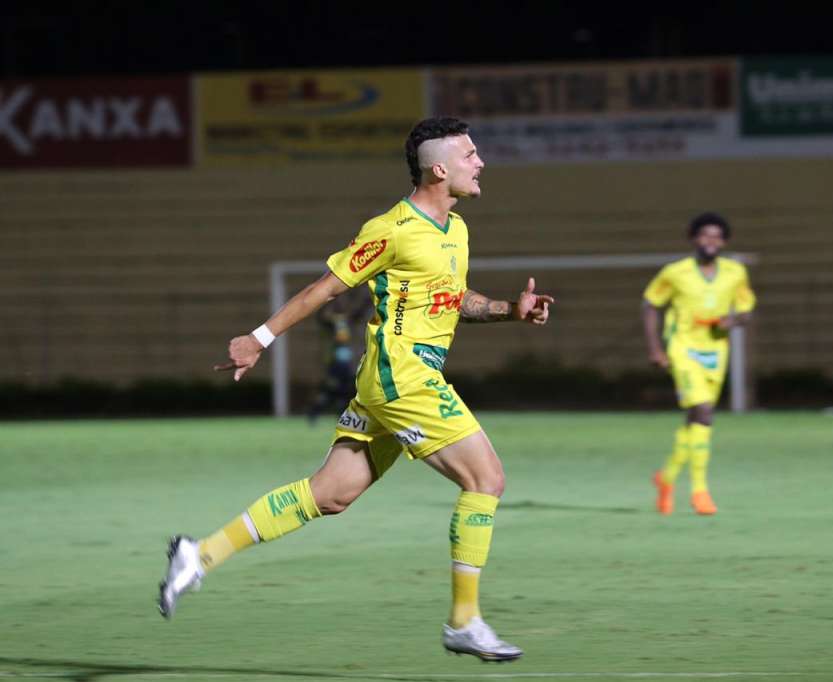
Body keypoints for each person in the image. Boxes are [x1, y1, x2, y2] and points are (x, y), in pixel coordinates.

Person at [158, 117, 554, 663]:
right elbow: (325, 289)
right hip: (402, 376)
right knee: (486, 478)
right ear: (439, 169)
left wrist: (512, 310)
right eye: (470, 155)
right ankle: (464, 621)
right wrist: (258, 338)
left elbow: (453, 299)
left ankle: (199, 555)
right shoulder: (390, 229)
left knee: (331, 494)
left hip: (402, 380)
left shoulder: (456, 229)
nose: (480, 162)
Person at [643, 212, 756, 516]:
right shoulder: (675, 272)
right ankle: (699, 490)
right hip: (683, 349)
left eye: (717, 236)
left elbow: (746, 310)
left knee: (696, 417)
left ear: (724, 241)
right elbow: (651, 304)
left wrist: (732, 320)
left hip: (716, 352)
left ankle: (665, 478)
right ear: (694, 238)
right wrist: (656, 348)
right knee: (704, 412)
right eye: (705, 235)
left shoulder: (735, 272)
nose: (711, 241)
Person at [306, 287, 372, 425]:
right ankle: (315, 411)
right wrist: (330, 299)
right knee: (333, 389)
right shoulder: (331, 322)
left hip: (349, 363)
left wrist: (368, 297)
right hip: (335, 362)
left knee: (345, 389)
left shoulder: (348, 319)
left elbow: (360, 312)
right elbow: (321, 316)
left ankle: (336, 414)